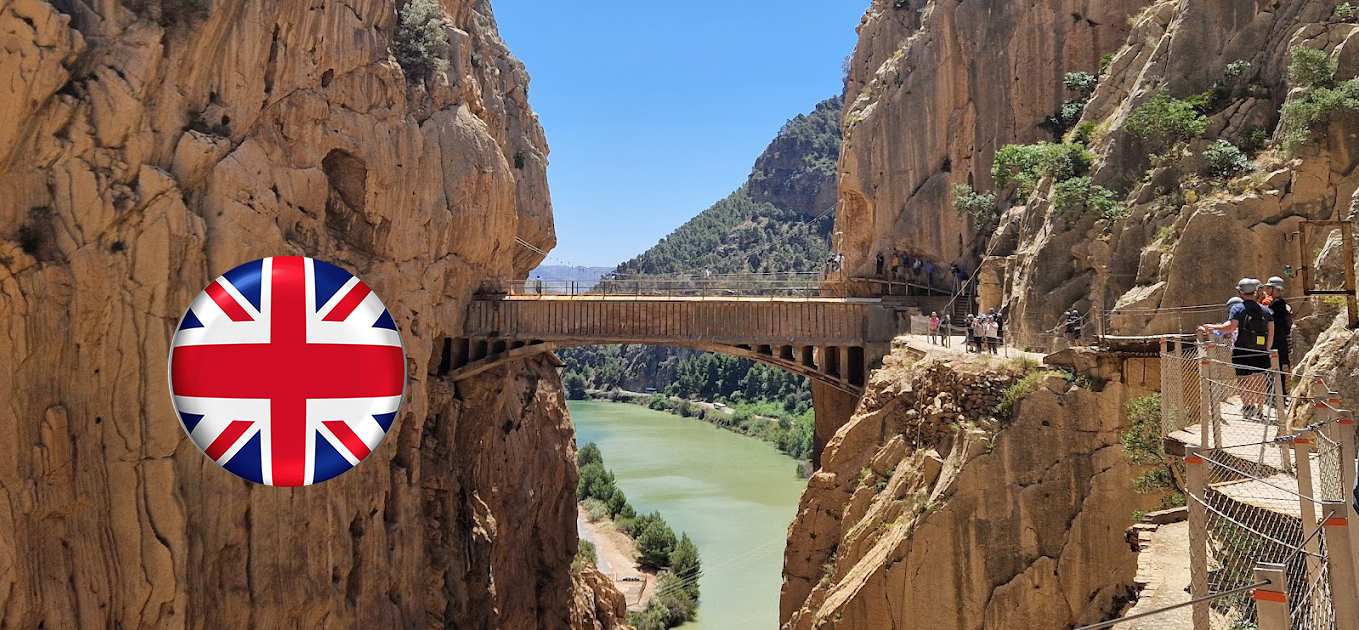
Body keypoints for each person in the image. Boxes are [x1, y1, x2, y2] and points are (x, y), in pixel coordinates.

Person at [1199, 278, 1274, 421]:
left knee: (1243, 379)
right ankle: (1260, 409)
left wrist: (1211, 327)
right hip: (1261, 350)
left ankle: (1247, 406)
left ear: (1240, 293)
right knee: (1259, 379)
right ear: (1255, 292)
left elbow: (1230, 327)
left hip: (1242, 350)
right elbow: (1270, 331)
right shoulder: (1265, 310)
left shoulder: (1238, 308)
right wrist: (1267, 348)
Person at [1264, 276, 1292, 374]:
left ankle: (1281, 388)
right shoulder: (1278, 303)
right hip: (1279, 337)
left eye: (1269, 287)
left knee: (1278, 364)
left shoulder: (1277, 303)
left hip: (1277, 338)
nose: (1266, 290)